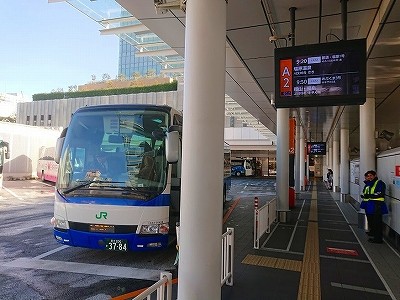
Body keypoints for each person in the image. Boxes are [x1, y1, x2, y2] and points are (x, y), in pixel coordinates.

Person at [360, 170, 388, 244]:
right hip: (369, 205)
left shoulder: (379, 183)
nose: (369, 177)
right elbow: (366, 193)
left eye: (371, 175)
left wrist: (369, 196)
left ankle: (378, 239)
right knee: (371, 220)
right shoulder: (368, 184)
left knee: (377, 222)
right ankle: (373, 233)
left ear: (375, 175)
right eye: (368, 176)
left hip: (376, 205)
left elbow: (380, 193)